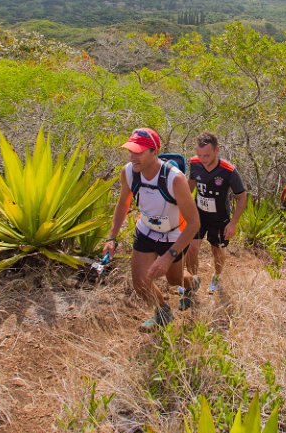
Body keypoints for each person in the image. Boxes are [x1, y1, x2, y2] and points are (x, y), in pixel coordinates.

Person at [102, 128, 201, 331]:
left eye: (138, 152)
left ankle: (191, 284)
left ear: (154, 152)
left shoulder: (175, 179)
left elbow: (193, 223)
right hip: (146, 230)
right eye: (130, 151)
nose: (132, 157)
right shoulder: (128, 172)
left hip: (173, 235)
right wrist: (112, 237)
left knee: (174, 280)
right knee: (140, 283)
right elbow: (123, 203)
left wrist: (167, 257)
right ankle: (163, 312)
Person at [185, 132, 248, 300]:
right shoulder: (195, 163)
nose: (202, 159)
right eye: (199, 155)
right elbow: (190, 186)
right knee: (191, 248)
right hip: (199, 215)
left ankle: (217, 276)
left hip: (220, 218)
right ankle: (193, 281)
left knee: (217, 250)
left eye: (206, 155)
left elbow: (242, 197)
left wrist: (233, 223)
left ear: (216, 150)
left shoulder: (229, 171)